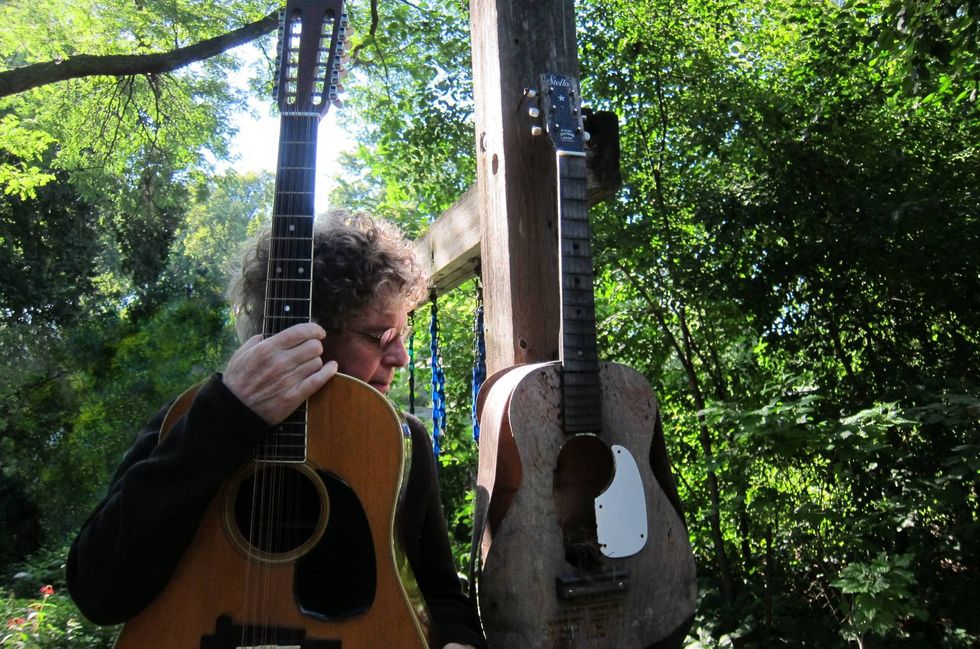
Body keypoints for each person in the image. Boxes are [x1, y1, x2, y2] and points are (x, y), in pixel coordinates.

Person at [67, 210, 487, 649]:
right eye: (380, 337)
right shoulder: (195, 420)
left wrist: (459, 641)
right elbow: (98, 591)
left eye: (403, 334)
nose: (401, 357)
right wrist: (228, 415)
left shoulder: (401, 439)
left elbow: (437, 590)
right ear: (303, 332)